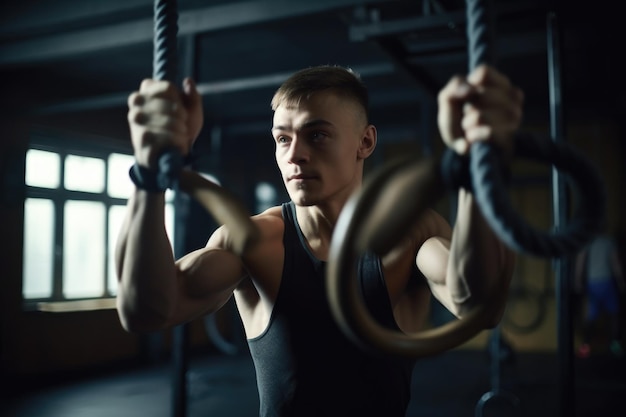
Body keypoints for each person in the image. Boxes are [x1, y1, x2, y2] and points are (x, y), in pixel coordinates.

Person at [115, 64, 522, 416]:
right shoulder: (253, 240)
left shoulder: (411, 237)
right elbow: (147, 311)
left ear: (365, 142)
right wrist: (148, 174)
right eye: (283, 138)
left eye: (318, 135)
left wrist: (475, 166)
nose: (295, 155)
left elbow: (480, 304)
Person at [575, 233, 625, 358]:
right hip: (605, 282)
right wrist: (621, 282)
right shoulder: (608, 242)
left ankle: (586, 346)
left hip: (594, 283)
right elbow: (616, 264)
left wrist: (578, 280)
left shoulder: (590, 241)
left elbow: (580, 262)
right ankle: (614, 344)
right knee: (614, 314)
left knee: (592, 317)